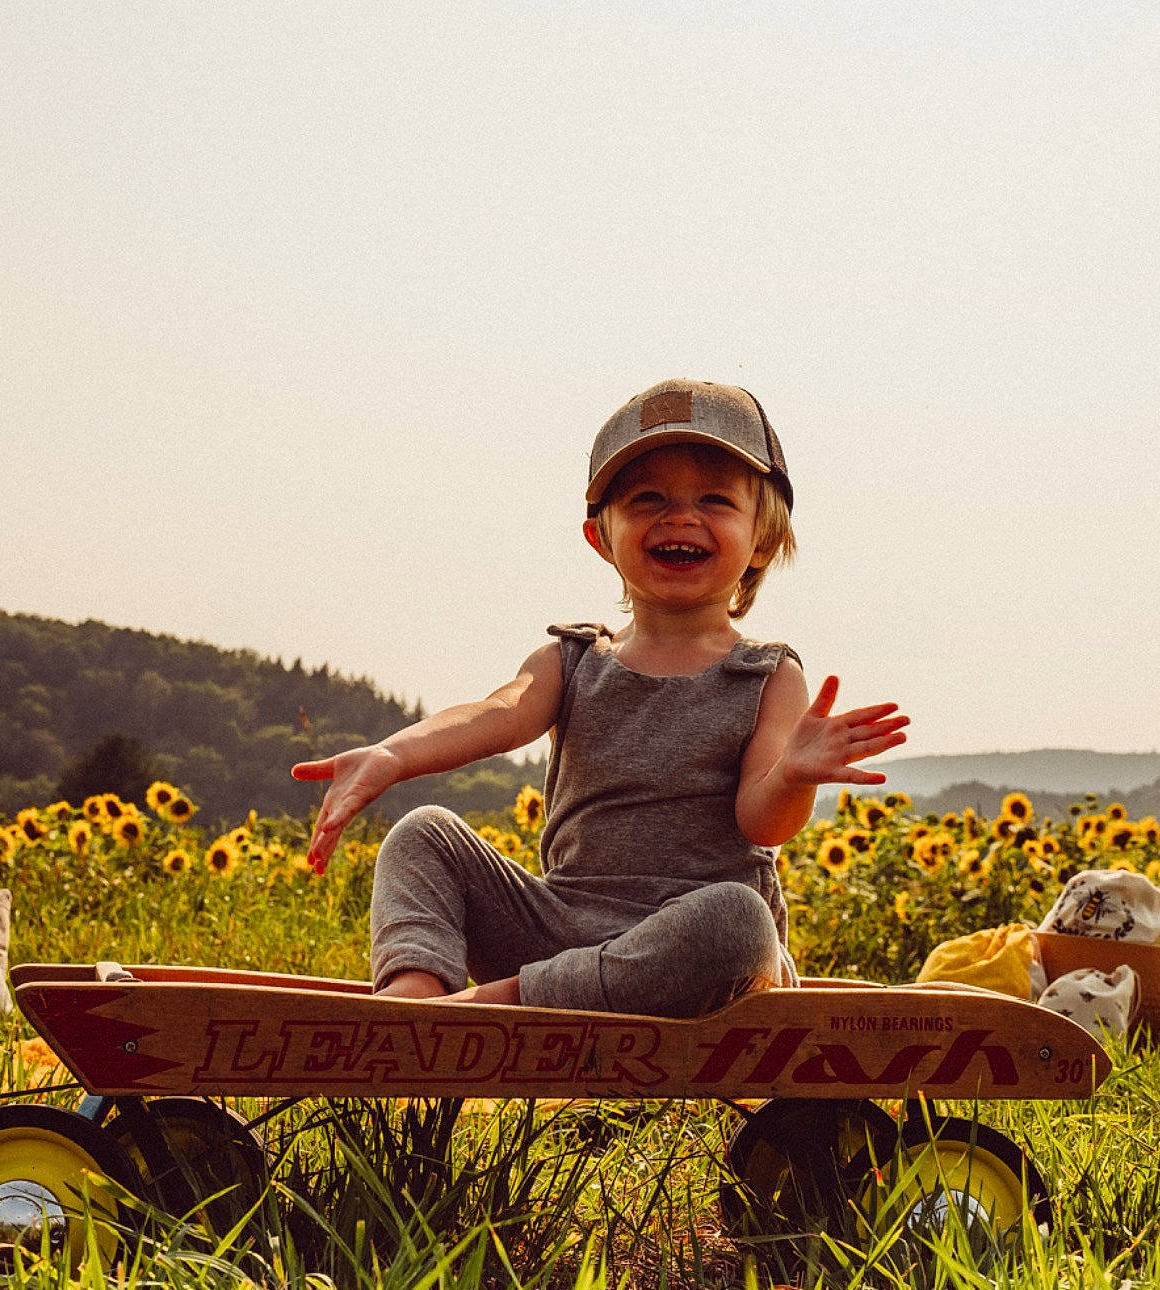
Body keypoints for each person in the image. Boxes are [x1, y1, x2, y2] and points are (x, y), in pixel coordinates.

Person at [290, 379, 908, 1017]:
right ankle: (413, 1001)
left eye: (715, 500)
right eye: (647, 498)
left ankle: (494, 1006)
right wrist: (394, 756)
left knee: (737, 921)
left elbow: (762, 821)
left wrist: (794, 777)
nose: (679, 516)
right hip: (558, 934)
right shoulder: (575, 660)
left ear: (763, 541)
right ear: (600, 538)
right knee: (424, 835)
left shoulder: (766, 676)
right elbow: (500, 711)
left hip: (682, 957)